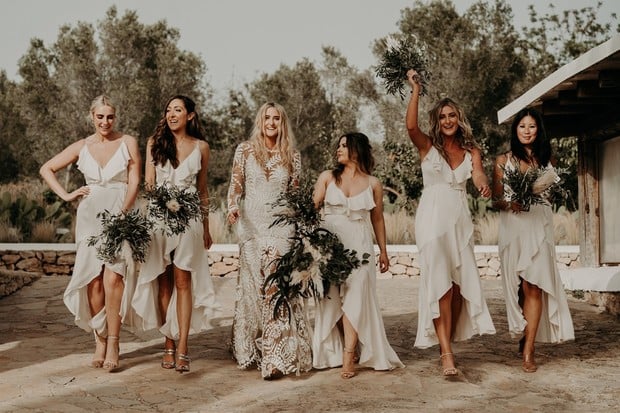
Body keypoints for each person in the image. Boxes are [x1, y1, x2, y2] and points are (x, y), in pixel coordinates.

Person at [39, 95, 141, 371]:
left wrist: (124, 212)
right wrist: (67, 194)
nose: (105, 122)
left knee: (113, 278)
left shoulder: (127, 142)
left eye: (110, 117)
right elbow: (46, 168)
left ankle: (115, 343)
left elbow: (135, 180)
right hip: (89, 216)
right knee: (93, 281)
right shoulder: (82, 146)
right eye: (100, 117)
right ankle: (100, 339)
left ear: (115, 117)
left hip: (119, 213)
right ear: (91, 116)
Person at [405, 70, 496, 376]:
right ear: (438, 119)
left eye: (452, 115)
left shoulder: (472, 150)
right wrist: (416, 89)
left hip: (458, 218)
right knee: (440, 284)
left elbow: (479, 173)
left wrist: (482, 184)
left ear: (459, 117)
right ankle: (445, 353)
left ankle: (449, 343)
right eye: (442, 116)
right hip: (431, 218)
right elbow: (410, 125)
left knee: (457, 287)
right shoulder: (427, 146)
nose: (447, 120)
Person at [132, 95, 219, 373]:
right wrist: (162, 205)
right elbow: (149, 184)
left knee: (184, 281)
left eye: (178, 110)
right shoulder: (154, 143)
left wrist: (206, 228)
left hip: (190, 218)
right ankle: (167, 343)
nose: (172, 114)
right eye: (168, 109)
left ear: (190, 115)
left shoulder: (201, 147)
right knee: (164, 282)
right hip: (160, 217)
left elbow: (202, 189)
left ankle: (182, 346)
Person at [227, 102, 312, 380]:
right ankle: (248, 345)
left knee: (275, 286)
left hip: (281, 228)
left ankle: (275, 357)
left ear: (282, 123)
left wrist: (301, 231)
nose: (271, 122)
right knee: (253, 290)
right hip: (251, 227)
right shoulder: (245, 150)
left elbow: (296, 196)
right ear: (260, 121)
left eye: (276, 118)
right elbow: (236, 185)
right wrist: (232, 208)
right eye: (267, 118)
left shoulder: (292, 156)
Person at [312, 132, 405, 379]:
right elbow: (312, 210)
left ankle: (348, 354)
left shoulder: (373, 183)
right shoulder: (327, 178)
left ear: (357, 150)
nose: (339, 149)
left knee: (356, 296)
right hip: (330, 245)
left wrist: (383, 250)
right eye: (339, 145)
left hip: (360, 245)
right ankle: (347, 347)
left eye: (345, 145)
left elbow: (377, 219)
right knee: (334, 299)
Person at [492, 108, 575, 373]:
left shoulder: (547, 158)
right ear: (515, 131)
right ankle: (525, 333)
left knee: (534, 286)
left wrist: (540, 194)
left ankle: (529, 350)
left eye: (532, 126)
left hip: (539, 226)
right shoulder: (503, 160)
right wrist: (511, 202)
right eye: (522, 127)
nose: (527, 131)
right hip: (514, 227)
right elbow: (496, 199)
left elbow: (551, 194)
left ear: (538, 130)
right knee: (520, 288)